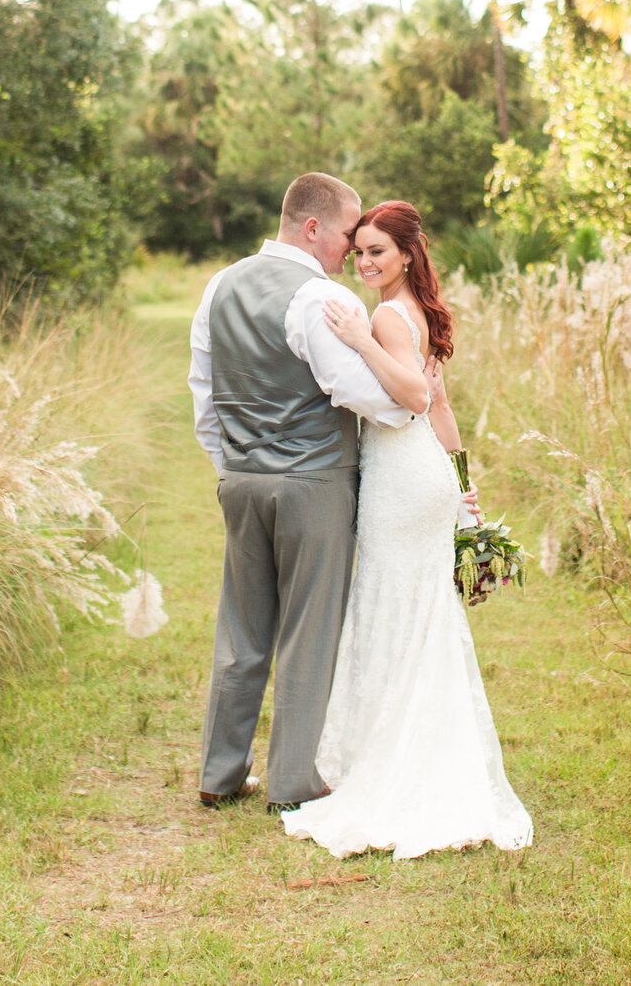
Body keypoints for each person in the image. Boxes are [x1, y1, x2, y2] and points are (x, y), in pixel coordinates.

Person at [281, 199, 532, 860]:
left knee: (391, 608)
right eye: (358, 250)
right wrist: (464, 485)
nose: (363, 262)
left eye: (376, 252)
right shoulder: (420, 313)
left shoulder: (389, 316)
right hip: (428, 475)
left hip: (400, 483)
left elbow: (416, 399)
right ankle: (424, 749)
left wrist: (360, 340)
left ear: (407, 255)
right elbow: (443, 407)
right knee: (423, 614)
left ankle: (391, 761)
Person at [191, 173, 421, 811]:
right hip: (312, 483)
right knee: (307, 630)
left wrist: (232, 465)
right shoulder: (315, 297)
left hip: (240, 481)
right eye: (349, 233)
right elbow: (358, 390)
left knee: (240, 629)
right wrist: (412, 404)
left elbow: (204, 392)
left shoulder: (219, 284)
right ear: (314, 227)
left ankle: (220, 774)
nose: (353, 248)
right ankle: (292, 782)